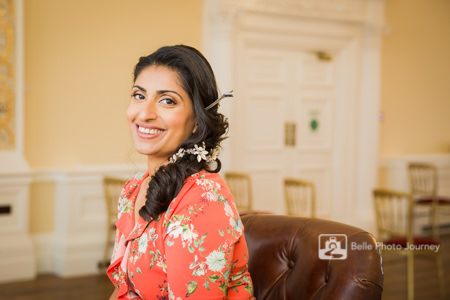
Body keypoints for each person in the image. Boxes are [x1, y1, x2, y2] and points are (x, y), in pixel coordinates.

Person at [107, 45, 254, 299]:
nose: (145, 113)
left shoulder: (203, 200)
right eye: (139, 95)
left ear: (197, 119)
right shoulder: (132, 190)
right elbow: (122, 290)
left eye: (167, 101)